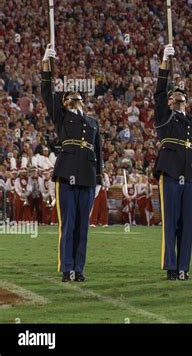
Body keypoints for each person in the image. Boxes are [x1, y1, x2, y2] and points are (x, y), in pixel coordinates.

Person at [41, 44, 103, 282]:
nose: (73, 100)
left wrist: (99, 178)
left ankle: (79, 268)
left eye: (76, 98)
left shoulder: (92, 122)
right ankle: (67, 269)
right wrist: (47, 65)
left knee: (83, 228)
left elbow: (99, 151)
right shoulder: (62, 117)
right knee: (68, 225)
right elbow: (47, 93)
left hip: (88, 174)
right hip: (67, 173)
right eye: (69, 98)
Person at [153, 44, 192, 281]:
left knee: (187, 225)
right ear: (170, 101)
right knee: (170, 222)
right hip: (170, 171)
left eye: (182, 97)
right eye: (174, 96)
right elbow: (159, 94)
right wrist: (164, 63)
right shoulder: (164, 117)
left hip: (190, 175)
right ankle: (171, 267)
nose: (179, 98)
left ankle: (184, 267)